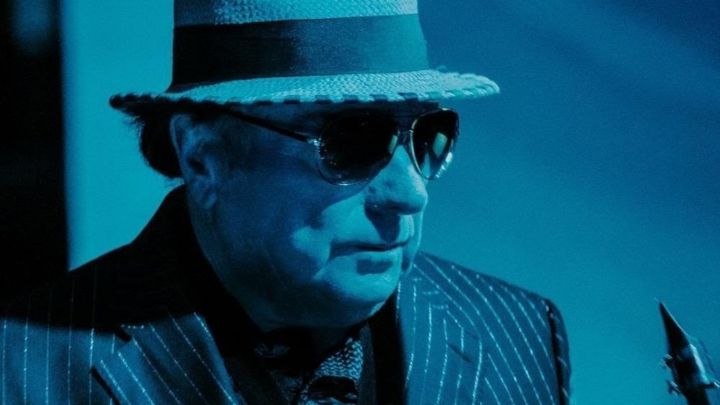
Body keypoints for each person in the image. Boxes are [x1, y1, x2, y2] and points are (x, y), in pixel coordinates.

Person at [0, 0, 570, 403]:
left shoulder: (516, 333)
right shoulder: (24, 368)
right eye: (352, 140)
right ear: (202, 155)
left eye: (428, 137)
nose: (411, 192)